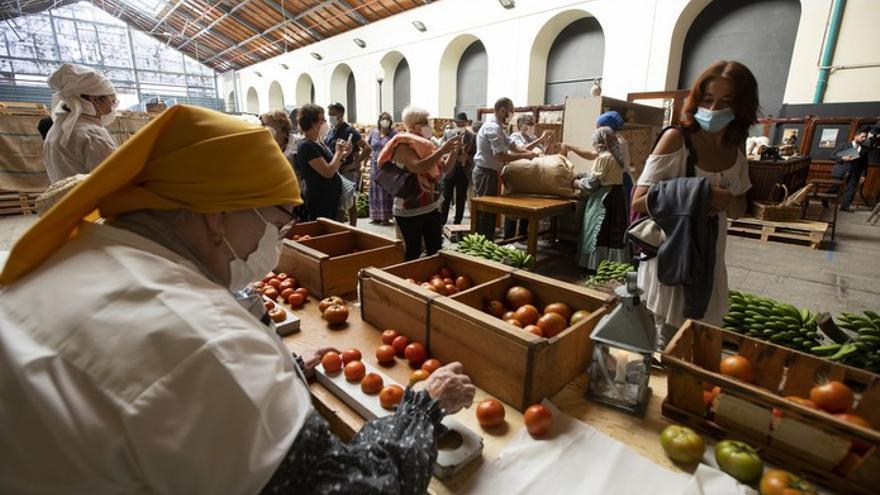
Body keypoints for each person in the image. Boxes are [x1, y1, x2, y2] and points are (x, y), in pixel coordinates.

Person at [0, 105, 475, 494]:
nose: (280, 238)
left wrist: (275, 375)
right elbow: (356, 488)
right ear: (217, 216)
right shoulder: (204, 342)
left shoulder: (70, 256)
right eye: (278, 219)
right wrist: (421, 409)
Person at [631, 60, 756, 348]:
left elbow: (738, 210)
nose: (714, 110)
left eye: (726, 101)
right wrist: (701, 195)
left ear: (742, 106)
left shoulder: (736, 149)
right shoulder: (677, 140)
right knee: (668, 342)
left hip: (710, 256)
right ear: (697, 100)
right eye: (708, 100)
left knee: (698, 339)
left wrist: (728, 202)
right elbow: (639, 199)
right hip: (675, 254)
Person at [377, 106, 461, 260]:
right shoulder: (402, 145)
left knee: (435, 247)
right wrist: (442, 150)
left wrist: (454, 150)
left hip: (431, 205)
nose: (427, 126)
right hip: (409, 208)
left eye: (427, 121)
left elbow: (446, 168)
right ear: (412, 125)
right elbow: (418, 167)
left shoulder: (428, 144)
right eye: (423, 122)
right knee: (413, 250)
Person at [473, 98, 539, 238]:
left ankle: (487, 240)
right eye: (511, 112)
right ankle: (482, 244)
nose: (511, 116)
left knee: (490, 212)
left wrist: (528, 153)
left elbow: (512, 145)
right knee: (486, 211)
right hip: (485, 173)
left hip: (491, 173)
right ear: (502, 111)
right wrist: (525, 157)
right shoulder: (492, 127)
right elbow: (501, 156)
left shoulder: (499, 128)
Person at [43, 63, 119, 184]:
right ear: (95, 100)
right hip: (95, 202)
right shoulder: (92, 134)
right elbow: (114, 180)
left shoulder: (56, 130)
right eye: (112, 102)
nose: (113, 108)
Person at [572, 127, 630, 271]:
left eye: (595, 142)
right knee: (614, 231)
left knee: (598, 230)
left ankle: (595, 264)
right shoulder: (616, 155)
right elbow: (601, 174)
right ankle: (612, 264)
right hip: (617, 196)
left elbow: (593, 184)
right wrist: (581, 174)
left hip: (605, 198)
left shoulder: (603, 157)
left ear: (600, 142)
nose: (593, 145)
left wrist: (576, 183)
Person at [295, 104, 352, 221]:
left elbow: (333, 166)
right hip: (319, 200)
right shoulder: (306, 146)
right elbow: (327, 172)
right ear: (312, 123)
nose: (325, 121)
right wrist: (338, 152)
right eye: (321, 119)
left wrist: (342, 155)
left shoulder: (319, 142)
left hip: (330, 198)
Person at [326, 102, 370, 226]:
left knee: (349, 201)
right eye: (329, 114)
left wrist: (354, 164)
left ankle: (352, 227)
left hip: (347, 172)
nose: (330, 117)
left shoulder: (349, 131)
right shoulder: (331, 131)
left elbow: (367, 148)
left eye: (332, 114)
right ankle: (341, 227)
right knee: (340, 202)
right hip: (335, 170)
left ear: (341, 114)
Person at [441, 112, 476, 225]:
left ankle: (457, 223)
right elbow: (441, 151)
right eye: (458, 122)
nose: (460, 124)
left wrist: (467, 158)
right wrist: (452, 156)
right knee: (446, 198)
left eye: (462, 122)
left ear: (466, 122)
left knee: (461, 199)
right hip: (449, 170)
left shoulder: (472, 137)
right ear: (454, 122)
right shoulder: (448, 134)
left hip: (464, 171)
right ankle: (442, 223)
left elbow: (475, 154)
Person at [828, 127, 870, 212]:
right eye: (862, 137)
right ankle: (824, 198)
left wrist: (863, 175)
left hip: (855, 172)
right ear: (856, 136)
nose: (864, 139)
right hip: (841, 171)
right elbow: (831, 156)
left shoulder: (865, 150)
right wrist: (843, 158)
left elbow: (865, 164)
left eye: (865, 137)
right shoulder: (844, 145)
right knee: (835, 188)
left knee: (851, 190)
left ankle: (845, 206)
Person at [367, 112, 397, 225]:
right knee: (375, 190)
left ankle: (386, 217)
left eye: (387, 119)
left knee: (386, 190)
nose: (385, 120)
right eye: (383, 119)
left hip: (387, 166)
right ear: (379, 120)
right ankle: (375, 216)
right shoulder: (374, 132)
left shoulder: (394, 134)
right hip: (375, 166)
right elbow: (368, 146)